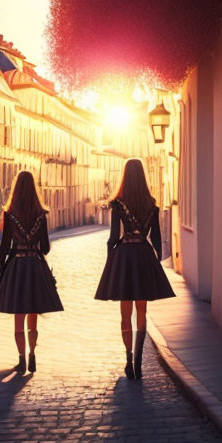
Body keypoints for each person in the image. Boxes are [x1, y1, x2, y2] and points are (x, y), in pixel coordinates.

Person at [94, 159, 175, 379]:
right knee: (142, 310)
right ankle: (139, 358)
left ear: (125, 176)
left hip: (125, 255)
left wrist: (111, 260)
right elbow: (156, 237)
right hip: (143, 255)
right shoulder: (152, 204)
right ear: (142, 177)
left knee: (125, 313)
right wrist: (156, 260)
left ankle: (128, 358)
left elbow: (112, 238)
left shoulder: (118, 204)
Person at [0, 171, 63, 374]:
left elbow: (4, 247)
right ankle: (33, 355)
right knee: (33, 313)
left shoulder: (9, 213)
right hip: (35, 266)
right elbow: (46, 247)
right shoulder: (41, 214)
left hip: (17, 266)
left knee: (18, 315)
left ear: (16, 189)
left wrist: (0, 270)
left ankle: (21, 358)